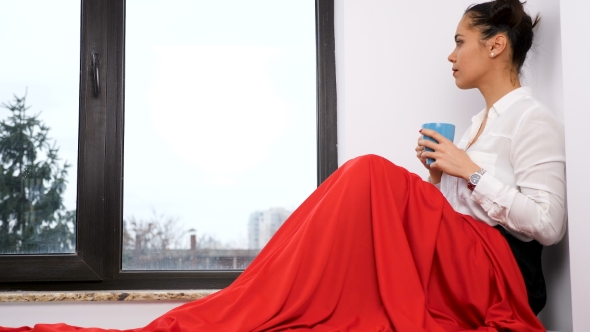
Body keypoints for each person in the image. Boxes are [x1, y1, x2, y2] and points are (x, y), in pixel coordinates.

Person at [0, 0, 565, 331]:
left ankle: (262, 298)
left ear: (496, 47)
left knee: (368, 173)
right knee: (365, 182)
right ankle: (255, 297)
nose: (450, 53)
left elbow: (547, 225)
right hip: (463, 260)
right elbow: (455, 216)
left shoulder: (530, 118)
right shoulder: (473, 126)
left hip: (503, 273)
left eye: (461, 40)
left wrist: (467, 170)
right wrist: (439, 181)